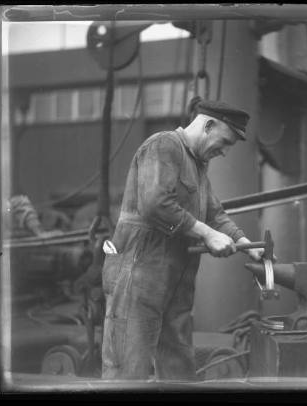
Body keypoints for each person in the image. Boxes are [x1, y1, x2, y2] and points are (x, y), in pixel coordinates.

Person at [101, 99, 263, 381]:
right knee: (127, 369)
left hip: (175, 278)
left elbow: (215, 213)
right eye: (224, 142)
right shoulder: (164, 146)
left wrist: (248, 245)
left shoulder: (198, 165)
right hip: (137, 273)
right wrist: (208, 234)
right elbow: (154, 204)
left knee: (178, 368)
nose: (224, 152)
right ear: (208, 125)